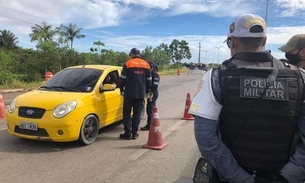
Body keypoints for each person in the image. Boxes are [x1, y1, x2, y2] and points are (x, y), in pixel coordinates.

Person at [189, 13, 305, 183]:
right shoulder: (300, 78)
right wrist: (287, 177)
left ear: (233, 41)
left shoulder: (215, 77)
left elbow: (206, 138)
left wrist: (241, 178)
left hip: (230, 178)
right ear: (264, 41)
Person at [119, 48, 152, 140]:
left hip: (129, 93)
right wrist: (148, 92)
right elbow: (149, 81)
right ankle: (134, 133)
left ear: (132, 54)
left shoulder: (128, 63)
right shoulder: (146, 64)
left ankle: (127, 133)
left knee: (126, 113)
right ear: (139, 54)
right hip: (141, 94)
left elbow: (122, 79)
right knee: (137, 114)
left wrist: (120, 89)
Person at [141, 61, 160, 131]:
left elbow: (155, 85)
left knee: (150, 109)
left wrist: (151, 93)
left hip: (153, 93)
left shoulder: (154, 74)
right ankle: (150, 124)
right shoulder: (151, 73)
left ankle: (150, 125)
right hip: (151, 93)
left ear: (151, 67)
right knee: (150, 109)